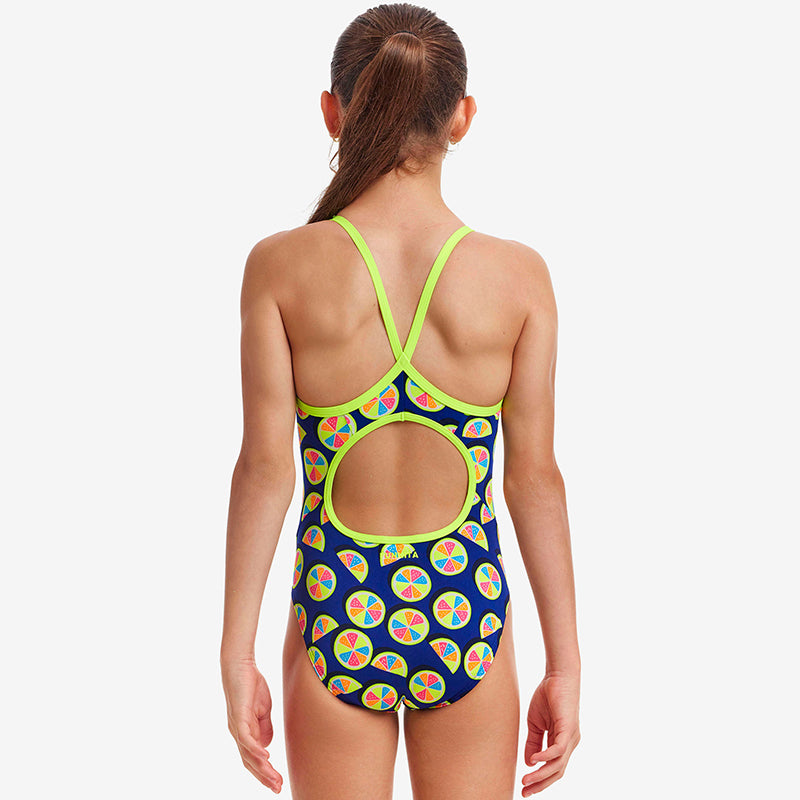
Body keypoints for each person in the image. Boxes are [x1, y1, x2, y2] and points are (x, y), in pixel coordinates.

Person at [220, 3, 580, 798]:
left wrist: (236, 653)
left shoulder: (280, 266)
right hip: (466, 611)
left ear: (333, 111)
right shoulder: (518, 277)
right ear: (462, 118)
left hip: (336, 604)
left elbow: (264, 470)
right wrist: (565, 664)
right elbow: (535, 478)